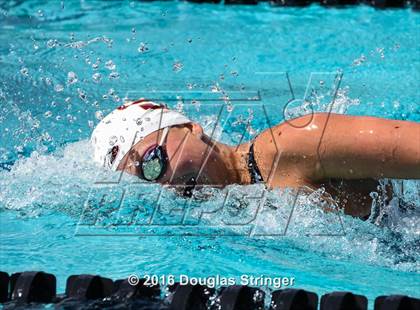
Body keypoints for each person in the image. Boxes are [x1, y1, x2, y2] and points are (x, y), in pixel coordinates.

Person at [91, 99, 420, 219]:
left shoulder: (294, 143)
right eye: (145, 183)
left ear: (192, 128)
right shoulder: (231, 211)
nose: (163, 185)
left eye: (152, 162)